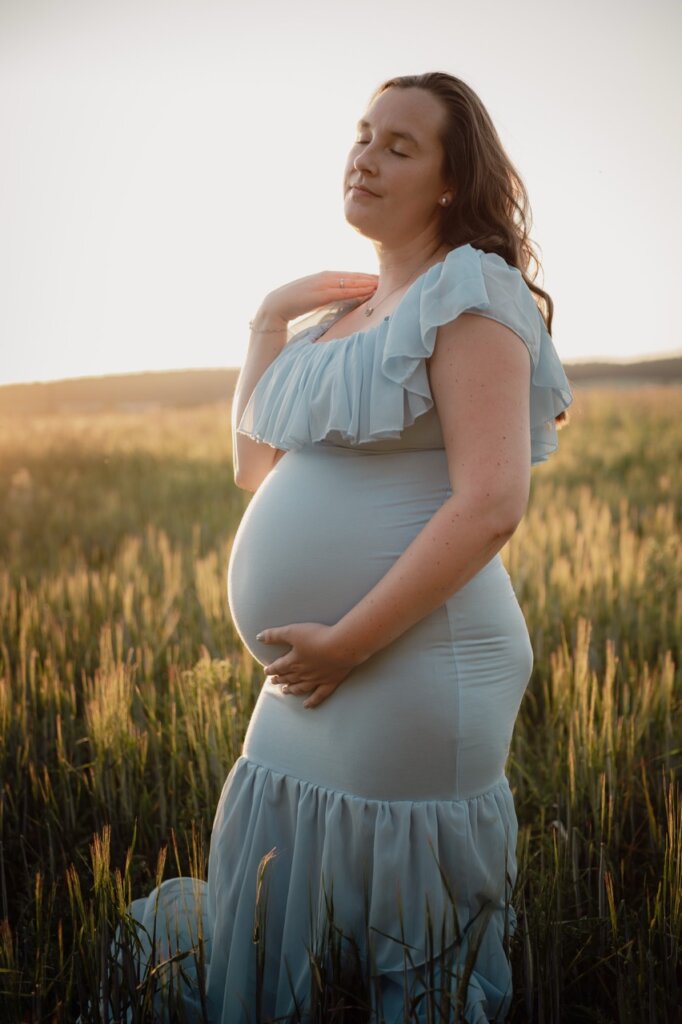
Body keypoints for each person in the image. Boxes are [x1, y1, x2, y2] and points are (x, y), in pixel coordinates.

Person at [122, 71, 574, 1023]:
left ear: (451, 182)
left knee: (404, 942)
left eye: (400, 146)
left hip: (415, 657)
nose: (366, 156)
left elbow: (492, 503)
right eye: (364, 134)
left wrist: (349, 643)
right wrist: (266, 321)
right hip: (315, 674)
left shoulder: (469, 291)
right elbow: (254, 466)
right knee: (281, 893)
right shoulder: (344, 319)